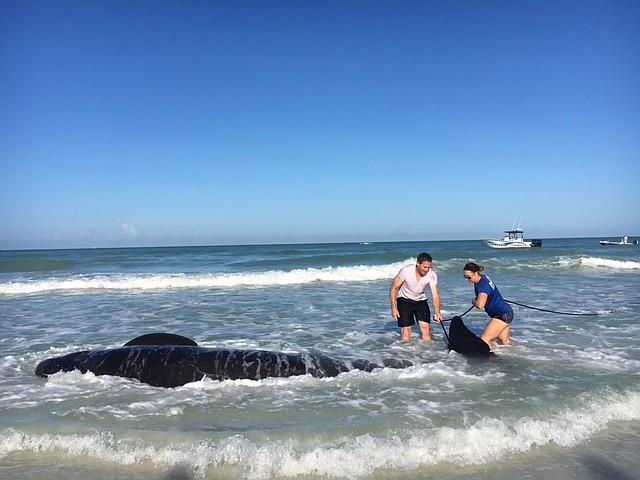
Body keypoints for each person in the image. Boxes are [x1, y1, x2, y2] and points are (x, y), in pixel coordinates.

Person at [389, 253, 442, 341]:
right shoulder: (406, 271)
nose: (427, 270)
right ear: (418, 263)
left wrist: (437, 313)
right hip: (404, 300)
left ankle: (427, 353)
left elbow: (435, 295)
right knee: (406, 331)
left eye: (429, 267)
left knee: (426, 330)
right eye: (425, 267)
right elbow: (394, 288)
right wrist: (394, 308)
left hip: (421, 301)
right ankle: (405, 353)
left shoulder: (431, 274)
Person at [462, 262, 513, 350]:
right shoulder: (483, 278)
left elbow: (480, 305)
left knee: (485, 339)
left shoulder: (482, 285)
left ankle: (493, 361)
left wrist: (474, 301)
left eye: (469, 277)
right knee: (505, 342)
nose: (467, 280)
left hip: (501, 314)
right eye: (465, 277)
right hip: (507, 312)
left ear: (476, 273)